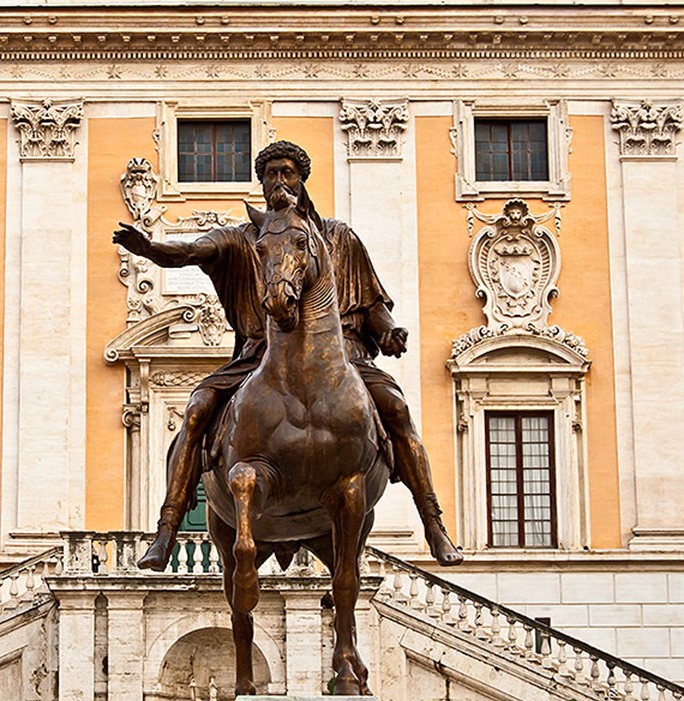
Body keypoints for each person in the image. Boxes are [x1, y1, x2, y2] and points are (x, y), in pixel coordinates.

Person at [113, 140, 462, 571]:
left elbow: (373, 305)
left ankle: (433, 522)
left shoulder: (338, 238)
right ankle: (166, 531)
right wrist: (150, 250)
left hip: (344, 358)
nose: (280, 181)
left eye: (287, 173)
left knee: (395, 408)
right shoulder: (243, 240)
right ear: (261, 184)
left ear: (301, 180)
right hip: (258, 359)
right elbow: (190, 251)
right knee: (198, 408)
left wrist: (389, 333)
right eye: (271, 174)